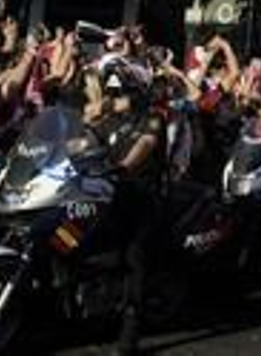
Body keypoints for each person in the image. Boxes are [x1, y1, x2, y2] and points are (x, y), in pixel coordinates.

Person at [88, 63, 166, 354]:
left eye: (118, 91)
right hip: (108, 196)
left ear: (136, 92)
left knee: (133, 258)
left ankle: (130, 332)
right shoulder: (108, 120)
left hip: (141, 198)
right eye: (111, 91)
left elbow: (145, 144)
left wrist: (123, 167)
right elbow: (80, 140)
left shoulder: (152, 118)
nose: (113, 96)